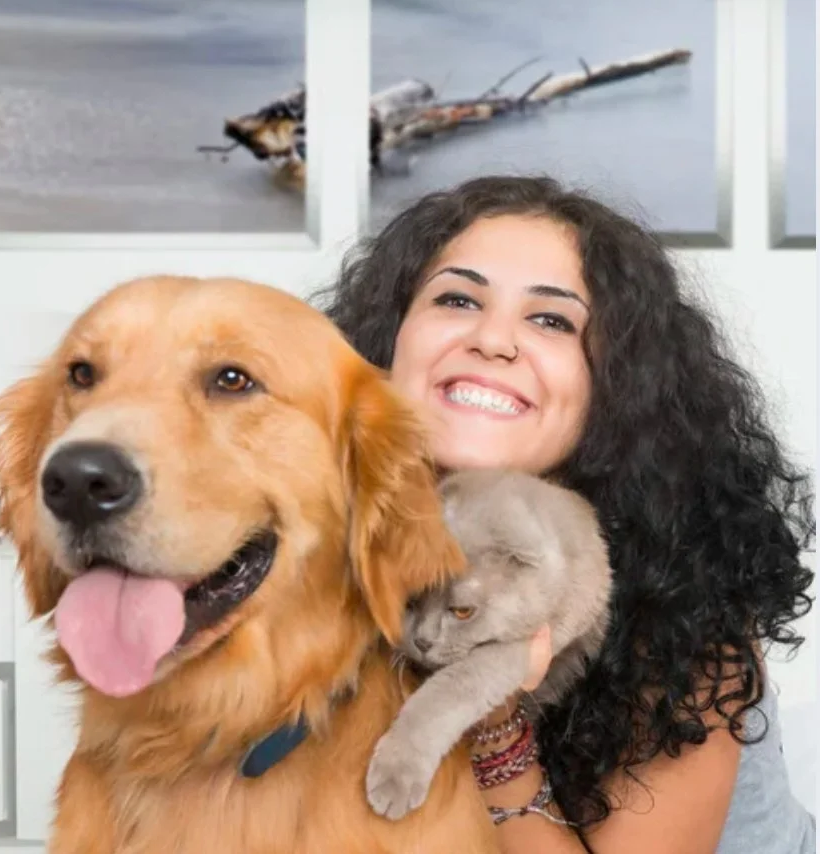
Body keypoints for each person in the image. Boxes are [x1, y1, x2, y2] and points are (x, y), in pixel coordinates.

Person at [314, 175, 816, 853]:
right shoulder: (305, 536)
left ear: (613, 386)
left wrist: (486, 721)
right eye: (457, 298)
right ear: (388, 341)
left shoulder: (681, 606)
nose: (493, 340)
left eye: (550, 319)